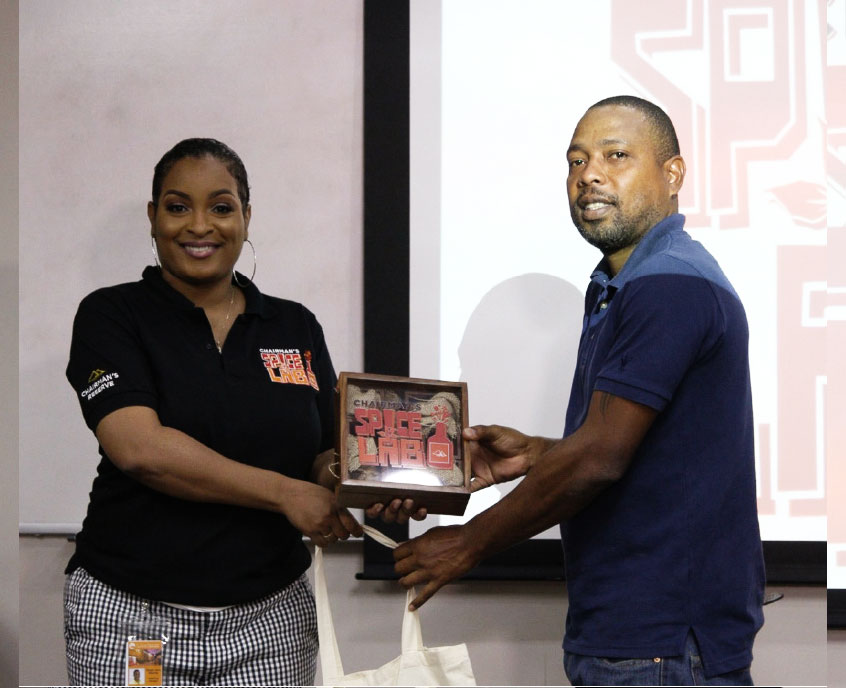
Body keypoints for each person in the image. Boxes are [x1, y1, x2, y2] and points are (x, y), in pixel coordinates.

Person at [389, 97, 765, 686]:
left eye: (616, 155)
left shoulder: (669, 286)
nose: (589, 173)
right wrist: (537, 453)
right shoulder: (625, 282)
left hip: (660, 643)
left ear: (673, 174)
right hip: (636, 634)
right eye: (576, 159)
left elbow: (599, 458)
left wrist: (469, 542)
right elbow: (644, 447)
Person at [64, 138, 392, 686]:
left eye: (221, 207)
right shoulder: (112, 315)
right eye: (177, 207)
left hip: (271, 624)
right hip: (132, 621)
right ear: (153, 217)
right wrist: (287, 494)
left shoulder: (294, 326)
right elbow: (141, 450)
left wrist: (367, 479)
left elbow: (323, 455)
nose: (200, 226)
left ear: (245, 216)